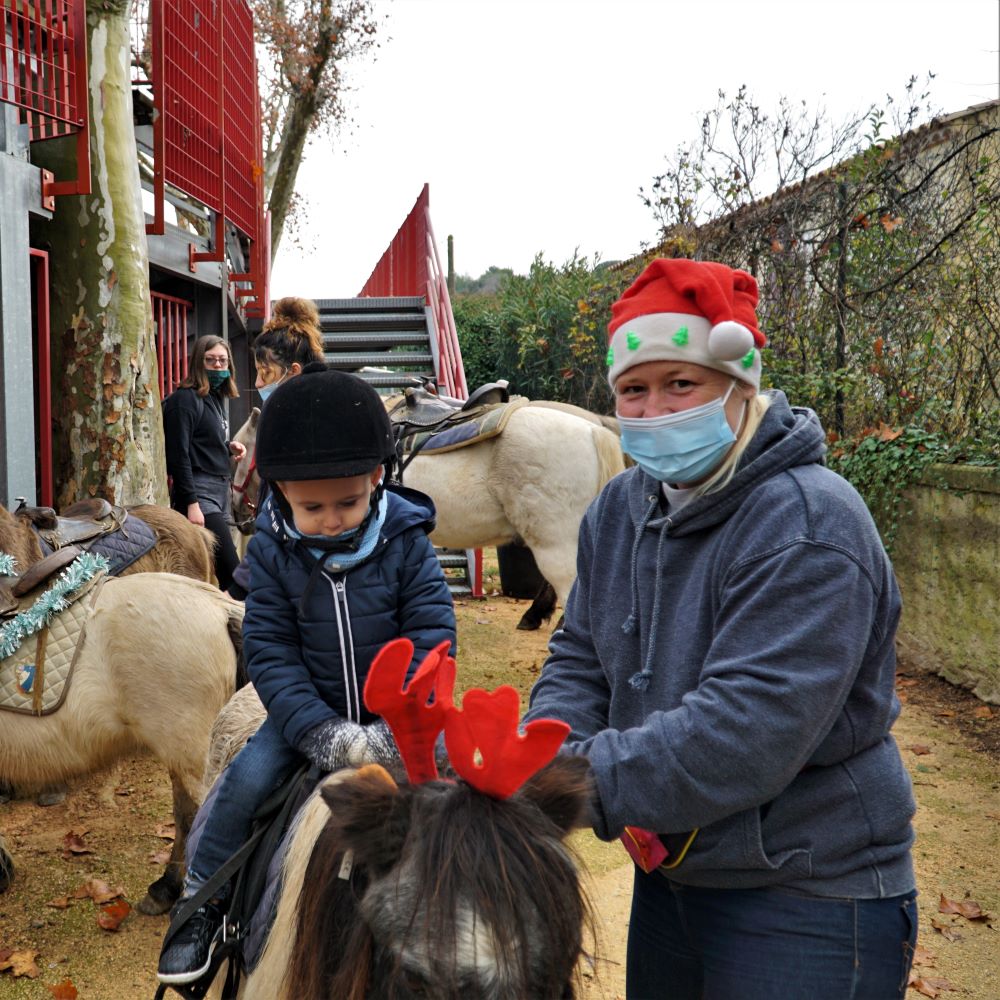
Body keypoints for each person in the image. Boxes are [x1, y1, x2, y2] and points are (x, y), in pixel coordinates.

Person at [523, 258, 917, 999]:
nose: (654, 410)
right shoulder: (619, 510)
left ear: (740, 387)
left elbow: (746, 732)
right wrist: (543, 748)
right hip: (675, 873)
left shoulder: (808, 523)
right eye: (632, 391)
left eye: (682, 385)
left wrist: (566, 780)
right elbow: (581, 657)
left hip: (807, 890)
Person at [156, 366, 456, 986]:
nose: (332, 519)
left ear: (377, 477)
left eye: (348, 502)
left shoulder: (406, 540)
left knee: (467, 790)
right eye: (311, 505)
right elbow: (269, 650)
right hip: (305, 716)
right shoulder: (270, 551)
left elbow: (434, 632)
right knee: (240, 785)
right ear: (279, 491)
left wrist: (405, 719)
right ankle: (202, 906)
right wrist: (322, 734)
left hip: (401, 718)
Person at [226, 296, 326, 600]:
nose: (257, 382)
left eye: (265, 372)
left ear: (293, 371)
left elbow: (275, 512)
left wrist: (239, 585)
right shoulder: (331, 402)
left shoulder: (281, 418)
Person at [162, 335, 246, 592]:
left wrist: (227, 447)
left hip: (220, 493)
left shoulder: (215, 399)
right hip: (200, 496)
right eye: (210, 360)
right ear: (199, 362)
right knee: (234, 575)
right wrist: (192, 504)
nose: (218, 366)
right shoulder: (185, 400)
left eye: (223, 360)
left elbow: (200, 443)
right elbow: (179, 456)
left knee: (219, 575)